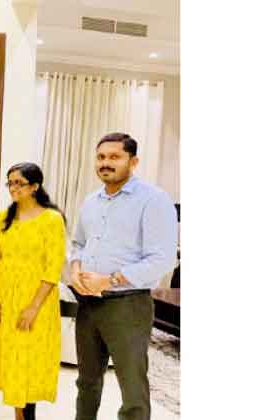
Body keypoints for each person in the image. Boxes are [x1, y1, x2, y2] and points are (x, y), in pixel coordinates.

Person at [70, 133, 178, 420]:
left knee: (132, 389)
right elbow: (78, 243)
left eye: (115, 157)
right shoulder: (91, 201)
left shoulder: (153, 200)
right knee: (86, 382)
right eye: (101, 157)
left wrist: (110, 280)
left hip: (128, 305)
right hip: (88, 304)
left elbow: (163, 258)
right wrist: (75, 268)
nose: (106, 163)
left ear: (133, 161)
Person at [0, 162, 66, 420]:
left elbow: (53, 268)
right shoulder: (1, 217)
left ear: (35, 186)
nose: (13, 188)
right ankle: (19, 415)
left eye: (19, 183)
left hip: (37, 300)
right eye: (10, 183)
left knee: (29, 360)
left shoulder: (51, 219)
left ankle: (26, 417)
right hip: (5, 298)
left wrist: (33, 307)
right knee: (11, 359)